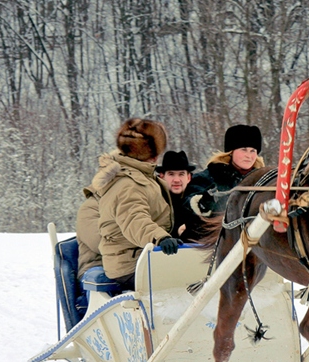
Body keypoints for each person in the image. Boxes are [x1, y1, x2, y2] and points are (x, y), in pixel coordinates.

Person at [90, 117, 181, 291]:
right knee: (186, 281)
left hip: (144, 257)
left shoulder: (143, 177)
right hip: (129, 264)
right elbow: (134, 219)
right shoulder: (129, 184)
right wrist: (160, 237)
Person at [183, 124, 264, 233]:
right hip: (209, 243)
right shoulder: (208, 177)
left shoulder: (261, 181)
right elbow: (187, 209)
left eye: (253, 151)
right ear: (231, 152)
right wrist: (205, 202)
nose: (249, 156)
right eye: (243, 149)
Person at [156, 150, 199, 241]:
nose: (176, 180)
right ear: (161, 176)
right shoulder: (154, 200)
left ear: (188, 177)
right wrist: (176, 232)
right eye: (171, 174)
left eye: (181, 174)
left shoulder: (198, 201)